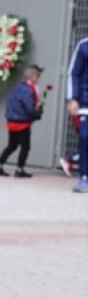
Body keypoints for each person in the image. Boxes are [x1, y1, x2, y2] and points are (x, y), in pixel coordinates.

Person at [0, 65, 44, 178]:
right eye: (38, 76)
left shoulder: (18, 87)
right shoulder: (29, 90)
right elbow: (29, 108)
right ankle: (19, 169)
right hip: (22, 123)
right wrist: (38, 113)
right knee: (25, 147)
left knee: (12, 145)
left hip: (12, 121)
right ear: (33, 77)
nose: (39, 79)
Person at [66, 37, 88, 193]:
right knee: (85, 137)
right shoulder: (84, 45)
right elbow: (74, 73)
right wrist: (73, 98)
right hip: (85, 102)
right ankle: (84, 177)